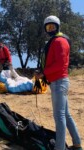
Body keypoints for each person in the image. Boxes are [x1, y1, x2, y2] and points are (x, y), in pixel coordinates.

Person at [35, 15, 83, 150]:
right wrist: (42, 72)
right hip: (57, 81)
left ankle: (59, 148)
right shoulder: (55, 41)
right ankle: (77, 143)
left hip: (59, 82)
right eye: (48, 27)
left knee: (59, 116)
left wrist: (44, 73)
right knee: (65, 114)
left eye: (53, 27)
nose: (50, 29)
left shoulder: (59, 41)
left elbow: (61, 65)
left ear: (58, 27)